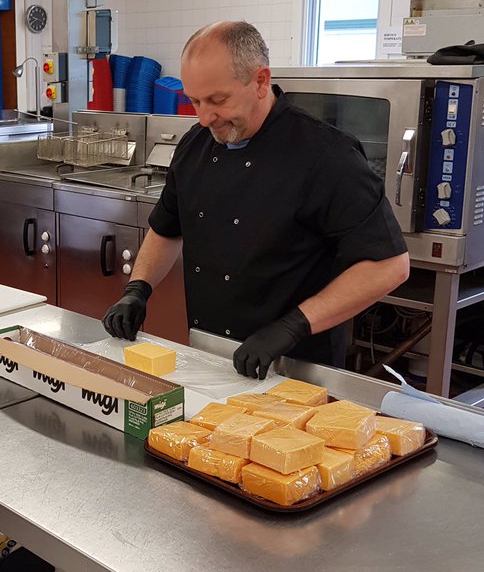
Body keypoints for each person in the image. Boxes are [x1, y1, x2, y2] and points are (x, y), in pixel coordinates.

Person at [102, 20, 410, 377]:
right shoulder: (194, 146)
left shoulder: (326, 155)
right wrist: (137, 290)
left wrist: (293, 325)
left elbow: (389, 266)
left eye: (217, 100)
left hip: (298, 367)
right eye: (194, 101)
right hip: (209, 355)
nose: (204, 118)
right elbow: (167, 227)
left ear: (261, 80)